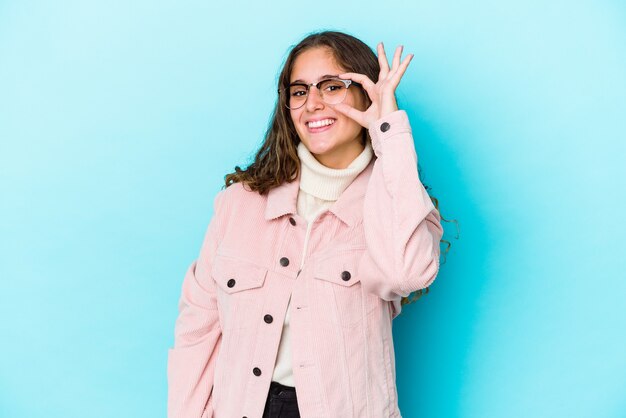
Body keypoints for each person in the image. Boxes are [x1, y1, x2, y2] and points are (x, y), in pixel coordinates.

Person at [167, 30, 445, 418]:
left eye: (331, 86)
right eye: (299, 92)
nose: (313, 104)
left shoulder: (394, 203)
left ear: (366, 94)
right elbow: (197, 328)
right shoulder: (240, 203)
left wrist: (389, 131)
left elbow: (404, 274)